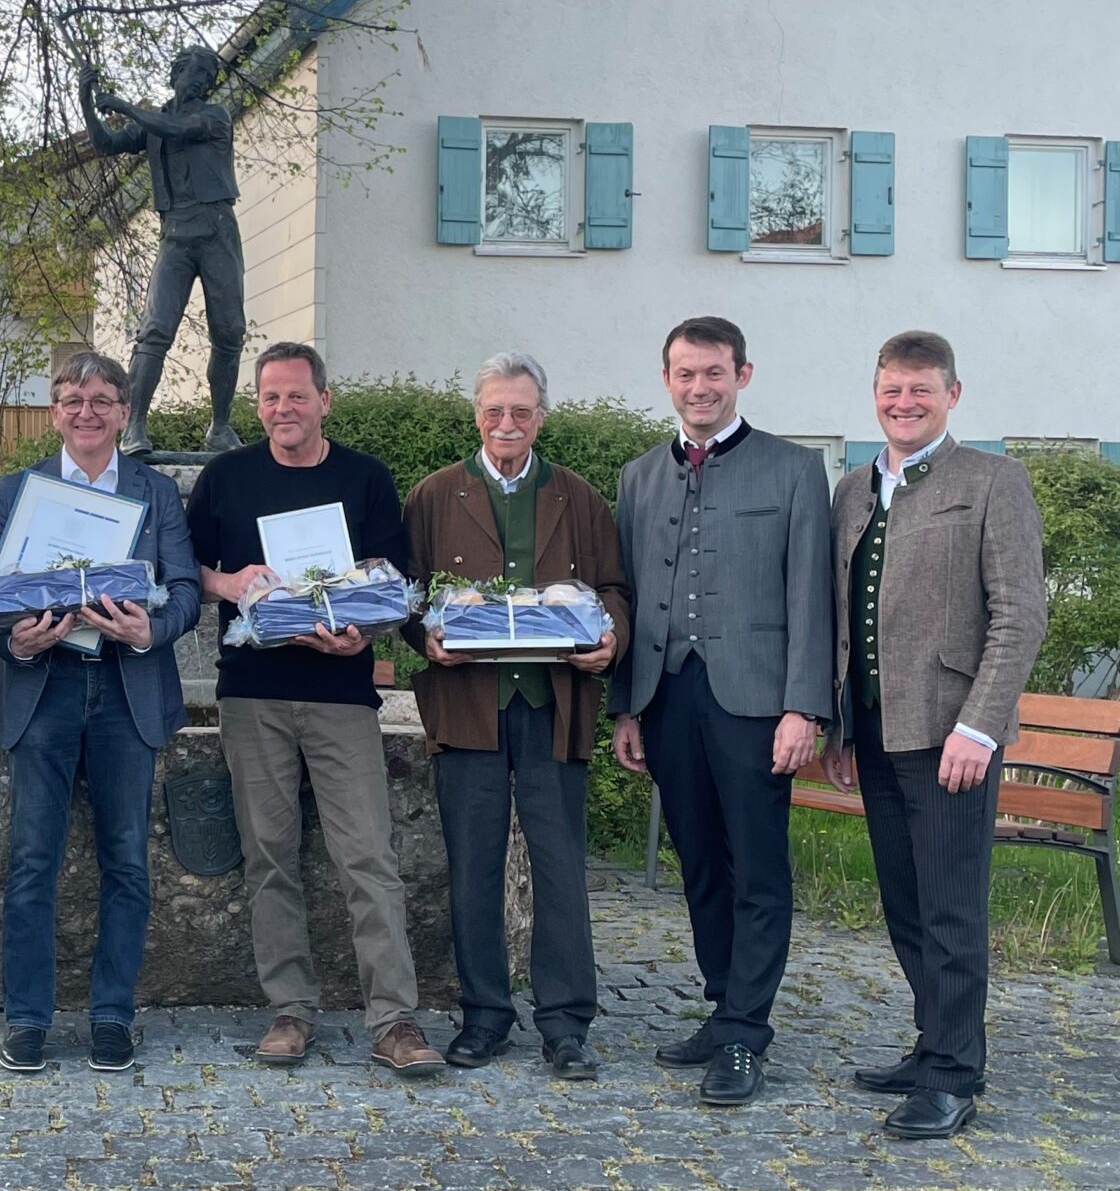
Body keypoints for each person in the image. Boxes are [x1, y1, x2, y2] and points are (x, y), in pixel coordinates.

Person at [187, 341, 443, 1074]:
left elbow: (393, 582)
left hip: (340, 693)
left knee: (368, 857)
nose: (283, 409)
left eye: (297, 395)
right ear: (257, 405)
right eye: (270, 397)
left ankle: (393, 1020)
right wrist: (231, 583)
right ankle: (290, 1010)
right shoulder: (226, 477)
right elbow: (187, 570)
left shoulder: (364, 478)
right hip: (254, 693)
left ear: (324, 401)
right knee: (268, 856)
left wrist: (362, 626)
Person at [823, 332, 1046, 1139]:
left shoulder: (993, 481)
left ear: (953, 394)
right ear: (875, 394)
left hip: (952, 735)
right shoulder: (851, 488)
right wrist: (840, 725)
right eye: (892, 389)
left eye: (921, 389)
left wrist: (979, 727)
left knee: (951, 911)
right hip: (875, 730)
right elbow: (843, 614)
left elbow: (1020, 614)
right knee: (907, 904)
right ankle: (935, 1043)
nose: (904, 402)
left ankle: (954, 1076)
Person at [609, 316, 832, 1108]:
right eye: (685, 374)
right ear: (666, 379)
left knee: (757, 868)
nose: (699, 387)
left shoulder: (794, 469)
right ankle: (722, 1003)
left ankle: (745, 1032)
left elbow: (811, 595)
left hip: (757, 700)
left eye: (713, 373)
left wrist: (803, 706)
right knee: (700, 861)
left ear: (742, 374)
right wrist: (627, 708)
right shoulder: (639, 476)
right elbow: (630, 594)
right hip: (668, 694)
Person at [404, 353, 628, 1077]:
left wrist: (610, 636)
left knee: (560, 865)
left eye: (521, 412)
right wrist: (423, 636)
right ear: (477, 416)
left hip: (552, 705)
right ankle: (485, 1016)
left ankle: (566, 1022)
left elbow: (613, 588)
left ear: (541, 418)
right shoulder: (433, 495)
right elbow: (408, 593)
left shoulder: (578, 496)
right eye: (495, 410)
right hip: (467, 706)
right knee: (473, 864)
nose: (508, 423)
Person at [0, 351, 201, 1074]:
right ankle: (26, 1018)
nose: (87, 412)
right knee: (30, 861)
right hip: (43, 687)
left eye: (102, 400)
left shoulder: (155, 492)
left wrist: (150, 630)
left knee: (127, 861)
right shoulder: (20, 490)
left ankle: (112, 1015)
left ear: (123, 412)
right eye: (73, 400)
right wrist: (12, 640)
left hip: (124, 687)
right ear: (55, 411)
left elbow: (186, 588)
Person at [80, 45, 246, 458]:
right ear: (176, 75)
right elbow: (107, 144)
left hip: (217, 230)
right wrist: (88, 103)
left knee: (229, 331)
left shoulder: (214, 116)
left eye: (207, 78)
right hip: (175, 233)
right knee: (154, 331)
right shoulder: (154, 123)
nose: (202, 83)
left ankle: (220, 427)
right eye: (195, 74)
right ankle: (134, 426)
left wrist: (126, 107)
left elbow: (177, 129)